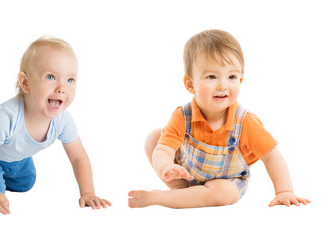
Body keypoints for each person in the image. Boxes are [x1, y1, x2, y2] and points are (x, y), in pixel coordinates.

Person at [128, 30, 310, 208]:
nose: (223, 85)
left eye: (231, 76)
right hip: (186, 174)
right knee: (154, 137)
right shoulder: (182, 116)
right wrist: (166, 166)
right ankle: (178, 189)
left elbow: (271, 156)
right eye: (212, 77)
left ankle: (163, 198)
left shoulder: (245, 121)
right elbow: (164, 150)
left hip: (225, 182)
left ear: (240, 79)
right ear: (190, 84)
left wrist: (284, 191)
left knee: (225, 194)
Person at [0, 36, 111, 215]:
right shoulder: (6, 118)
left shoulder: (62, 120)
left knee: (26, 182)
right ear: (25, 83)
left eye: (70, 80)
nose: (62, 88)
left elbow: (78, 156)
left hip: (11, 153)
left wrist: (88, 193)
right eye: (51, 77)